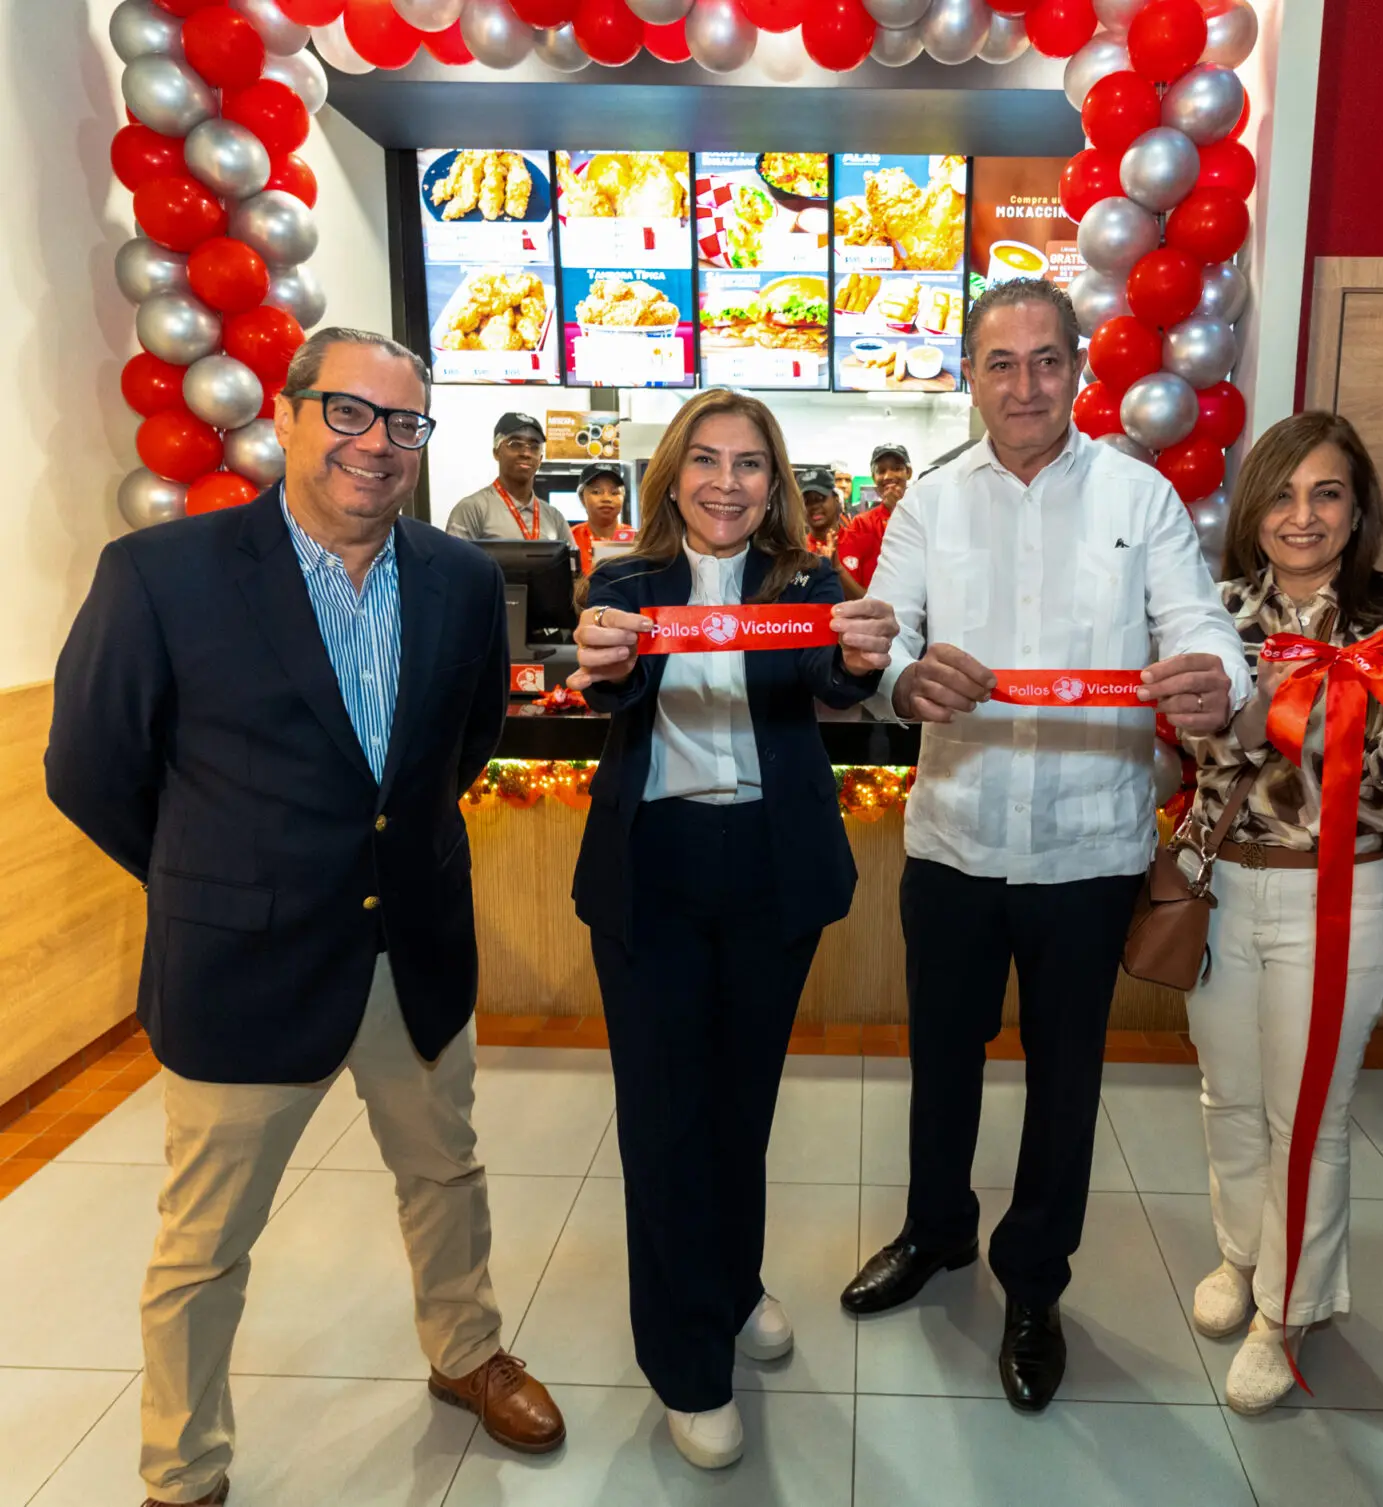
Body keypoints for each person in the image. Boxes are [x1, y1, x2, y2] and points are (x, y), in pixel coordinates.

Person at [46, 328, 567, 1507]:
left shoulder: (462, 578)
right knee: (205, 1240)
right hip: (244, 965)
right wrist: (212, 875)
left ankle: (466, 1351)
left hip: (413, 951)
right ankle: (183, 1468)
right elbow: (88, 768)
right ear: (284, 416)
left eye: (403, 423)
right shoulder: (160, 574)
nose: (375, 445)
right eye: (348, 412)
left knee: (445, 1171)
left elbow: (464, 745)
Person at [837, 277, 1251, 1414]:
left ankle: (1035, 1282)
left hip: (1089, 849)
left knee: (1066, 1081)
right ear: (969, 376)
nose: (1024, 385)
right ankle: (935, 1234)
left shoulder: (1141, 496)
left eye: (1045, 360)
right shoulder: (930, 503)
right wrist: (903, 676)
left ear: (1077, 368)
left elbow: (1202, 626)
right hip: (955, 842)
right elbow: (885, 638)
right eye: (999, 363)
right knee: (943, 1060)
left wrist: (1222, 674)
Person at [568, 390, 900, 1471]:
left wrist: (856, 657)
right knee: (665, 1120)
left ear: (776, 482)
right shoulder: (623, 578)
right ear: (672, 473)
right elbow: (615, 700)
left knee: (740, 1105)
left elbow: (828, 681)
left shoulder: (809, 582)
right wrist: (606, 662)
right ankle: (688, 1365)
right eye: (704, 460)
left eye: (749, 464)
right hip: (652, 870)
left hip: (770, 868)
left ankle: (733, 1281)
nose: (725, 482)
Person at [1176, 412, 1383, 1414]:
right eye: (1284, 494)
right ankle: (1242, 1254)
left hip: (1342, 890)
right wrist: (1237, 710)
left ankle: (1285, 1310)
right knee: (1230, 1095)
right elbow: (1206, 764)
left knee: (1311, 1116)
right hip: (1221, 888)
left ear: (1356, 510)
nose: (1304, 516)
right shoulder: (1210, 611)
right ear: (1255, 512)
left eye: (1327, 493)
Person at [444, 412, 569, 542]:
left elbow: (572, 561)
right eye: (515, 444)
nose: (526, 453)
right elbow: (455, 561)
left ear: (540, 459)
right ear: (496, 452)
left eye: (534, 447)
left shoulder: (555, 518)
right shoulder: (471, 510)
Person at [832, 442, 912, 597]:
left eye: (896, 468)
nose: (888, 476)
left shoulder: (925, 516)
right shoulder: (861, 524)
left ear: (908, 472)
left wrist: (898, 511)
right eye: (881, 471)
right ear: (874, 478)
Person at [570, 461, 635, 574]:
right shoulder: (570, 539)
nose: (606, 498)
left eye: (614, 493)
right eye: (596, 492)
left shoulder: (638, 540)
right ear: (582, 498)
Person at [796, 463, 843, 557]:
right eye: (807, 501)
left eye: (820, 498)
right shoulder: (797, 552)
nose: (814, 506)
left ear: (836, 499)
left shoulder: (860, 542)